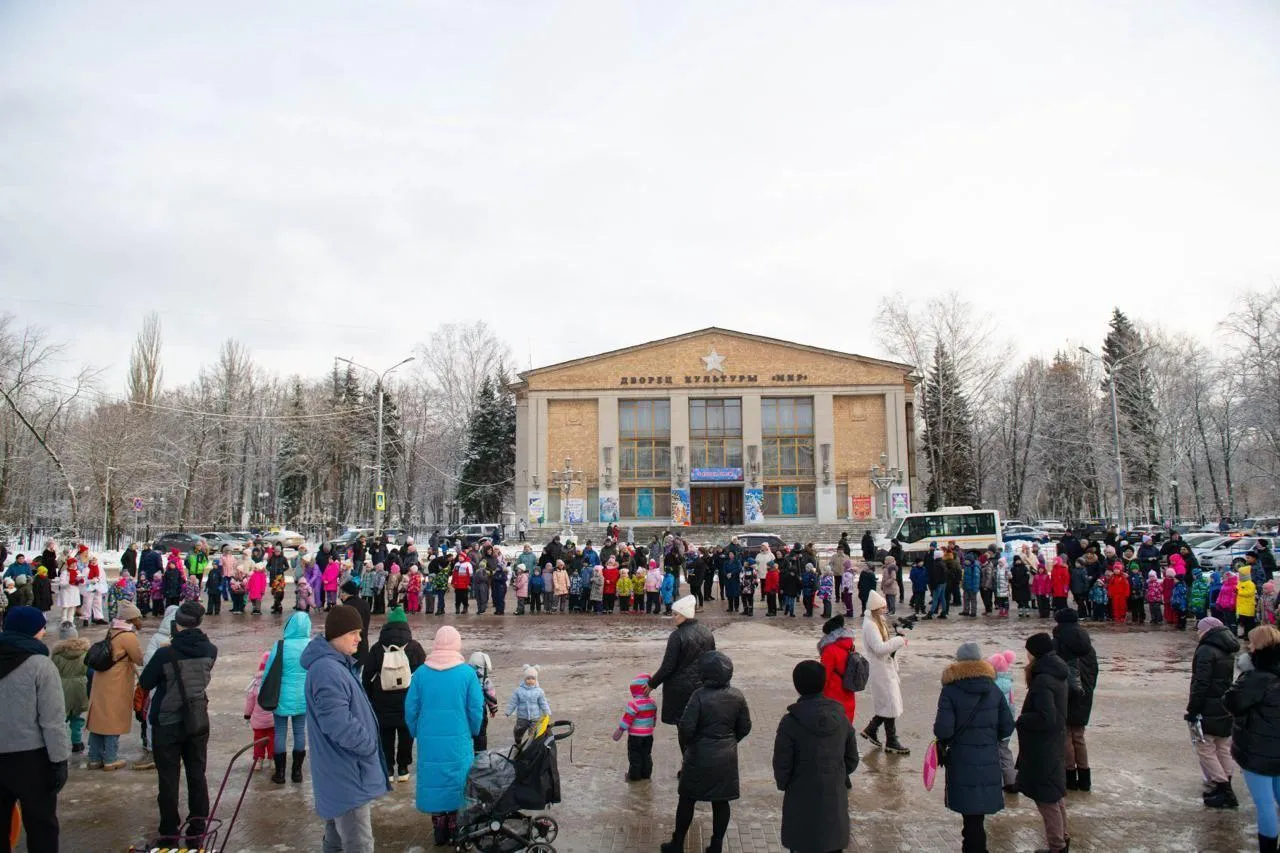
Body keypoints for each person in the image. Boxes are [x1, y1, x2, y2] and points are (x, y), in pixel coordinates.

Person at [301, 605, 388, 852]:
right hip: (346, 772)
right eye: (353, 633)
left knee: (337, 839)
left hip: (341, 770)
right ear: (337, 634)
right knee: (359, 842)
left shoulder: (336, 665)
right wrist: (368, 745)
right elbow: (337, 722)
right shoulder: (328, 670)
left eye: (359, 632)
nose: (359, 639)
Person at [138, 601, 217, 846]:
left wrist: (166, 651)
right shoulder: (210, 650)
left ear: (177, 623)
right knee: (197, 775)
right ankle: (197, 829)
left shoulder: (165, 653)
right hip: (197, 719)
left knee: (168, 779)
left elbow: (146, 682)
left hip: (167, 721)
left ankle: (169, 831)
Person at [660, 651, 750, 853]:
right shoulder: (737, 696)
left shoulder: (698, 696)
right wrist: (729, 741)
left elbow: (686, 728)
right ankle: (716, 844)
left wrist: (691, 746)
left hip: (699, 755)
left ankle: (677, 843)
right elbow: (745, 727)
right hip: (726, 758)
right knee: (721, 802)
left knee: (687, 799)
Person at [405, 625, 483, 847]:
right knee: (457, 780)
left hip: (429, 739)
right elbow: (476, 709)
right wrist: (473, 730)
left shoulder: (421, 674)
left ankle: (438, 826)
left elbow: (411, 708)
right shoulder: (467, 674)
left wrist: (416, 731)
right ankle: (454, 826)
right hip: (459, 738)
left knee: (434, 779)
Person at [0, 606, 70, 853]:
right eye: (42, 628)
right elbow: (52, 720)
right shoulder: (40, 666)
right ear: (32, 631)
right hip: (31, 759)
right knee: (41, 827)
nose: (44, 632)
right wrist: (59, 760)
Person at [933, 642, 1015, 853]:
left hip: (961, 757)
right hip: (988, 756)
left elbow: (943, 729)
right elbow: (1007, 726)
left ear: (958, 660)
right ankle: (974, 846)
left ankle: (973, 847)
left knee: (970, 813)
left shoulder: (950, 689)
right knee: (977, 812)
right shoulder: (993, 688)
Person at [772, 659, 857, 853]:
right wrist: (837, 774)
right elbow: (852, 758)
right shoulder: (841, 718)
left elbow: (782, 763)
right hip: (834, 799)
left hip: (800, 799)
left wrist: (786, 784)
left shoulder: (791, 722)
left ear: (797, 685)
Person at [1226, 625, 1280, 853]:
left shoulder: (1257, 677)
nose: (1248, 646)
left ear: (1258, 646)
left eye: (1251, 642)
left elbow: (1232, 702)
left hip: (1259, 749)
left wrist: (1245, 673)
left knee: (1265, 803)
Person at [1017, 632, 1071, 853]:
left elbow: (1045, 717)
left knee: (1047, 798)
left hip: (1043, 746)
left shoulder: (1042, 679)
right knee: (1054, 794)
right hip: (1054, 741)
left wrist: (1022, 720)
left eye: (1028, 652)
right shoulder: (1056, 672)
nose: (1027, 656)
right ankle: (1062, 839)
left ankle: (1057, 846)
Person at [363, 607, 426, 782]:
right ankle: (403, 768)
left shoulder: (377, 648)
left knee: (385, 735)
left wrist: (370, 697)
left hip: (381, 700)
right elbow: (423, 675)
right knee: (406, 734)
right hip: (408, 700)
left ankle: (388, 769)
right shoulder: (415, 647)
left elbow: (367, 675)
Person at [647, 595, 716, 748]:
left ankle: (688, 760)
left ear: (685, 614)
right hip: (702, 686)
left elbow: (668, 666)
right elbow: (713, 660)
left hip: (681, 690)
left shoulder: (677, 636)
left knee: (685, 729)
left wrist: (652, 684)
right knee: (700, 727)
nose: (673, 617)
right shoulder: (706, 632)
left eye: (676, 614)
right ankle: (699, 759)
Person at [1187, 616, 1241, 808]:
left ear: (1207, 630)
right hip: (1223, 704)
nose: (1198, 633)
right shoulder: (1227, 648)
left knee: (1205, 747)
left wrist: (1193, 708)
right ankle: (1226, 782)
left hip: (1207, 706)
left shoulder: (1206, 650)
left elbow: (1200, 682)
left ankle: (1222, 786)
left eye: (1199, 629)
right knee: (1222, 745)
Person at [86, 600, 144, 771]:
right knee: (113, 718)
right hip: (117, 681)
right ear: (132, 618)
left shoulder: (111, 631)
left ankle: (94, 758)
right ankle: (110, 759)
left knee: (98, 717)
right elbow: (139, 659)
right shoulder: (128, 636)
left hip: (101, 679)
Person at [264, 610, 313, 784]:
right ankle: (297, 772)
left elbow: (268, 671)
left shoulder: (280, 645)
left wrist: (263, 691)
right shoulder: (311, 646)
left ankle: (280, 773)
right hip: (303, 697)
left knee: (280, 732)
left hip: (280, 697)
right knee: (300, 731)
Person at [860, 590, 910, 754]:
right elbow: (879, 648)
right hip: (879, 669)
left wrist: (896, 639)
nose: (885, 610)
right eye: (882, 607)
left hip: (884, 667)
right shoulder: (870, 625)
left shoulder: (877, 622)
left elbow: (884, 646)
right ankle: (890, 739)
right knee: (889, 703)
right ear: (876, 608)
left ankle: (873, 730)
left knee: (889, 703)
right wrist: (898, 640)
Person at [1054, 608, 1098, 792]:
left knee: (1066, 735)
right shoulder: (1087, 645)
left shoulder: (1059, 643)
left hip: (1065, 692)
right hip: (1084, 693)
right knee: (1079, 736)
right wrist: (1088, 689)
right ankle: (1085, 778)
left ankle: (1069, 777)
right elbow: (1094, 671)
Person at [613, 672, 659, 782]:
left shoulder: (634, 704)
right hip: (648, 735)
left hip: (635, 736)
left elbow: (627, 719)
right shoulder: (652, 702)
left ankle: (634, 776)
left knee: (635, 756)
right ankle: (646, 774)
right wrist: (652, 725)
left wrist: (620, 729)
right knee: (646, 754)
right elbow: (654, 717)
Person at [52, 622, 89, 755]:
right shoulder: (85, 652)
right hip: (80, 686)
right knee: (77, 717)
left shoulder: (57, 654)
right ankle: (77, 742)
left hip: (62, 687)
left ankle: (60, 743)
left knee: (61, 717)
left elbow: (52, 671)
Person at [817, 615, 858, 723]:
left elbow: (824, 676)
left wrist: (817, 695)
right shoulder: (850, 646)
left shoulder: (829, 650)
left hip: (832, 696)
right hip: (848, 692)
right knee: (846, 725)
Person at [245, 651, 277, 771]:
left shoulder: (255, 683)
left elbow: (250, 701)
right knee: (272, 739)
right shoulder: (275, 682)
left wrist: (247, 715)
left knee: (258, 740)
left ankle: (258, 760)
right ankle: (272, 759)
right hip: (272, 719)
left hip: (258, 721)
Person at [506, 664, 552, 742]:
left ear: (536, 679)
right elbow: (513, 702)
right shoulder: (518, 690)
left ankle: (531, 744)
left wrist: (547, 712)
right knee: (518, 731)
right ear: (524, 679)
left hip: (535, 717)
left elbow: (543, 703)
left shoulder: (539, 691)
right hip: (522, 717)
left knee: (533, 734)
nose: (530, 680)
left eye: (533, 678)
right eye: (528, 678)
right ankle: (518, 742)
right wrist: (508, 711)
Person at [339, 581, 372, 666]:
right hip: (363, 644)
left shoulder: (346, 607)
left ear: (347, 593)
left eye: (342, 592)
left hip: (349, 647)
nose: (341, 595)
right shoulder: (365, 604)